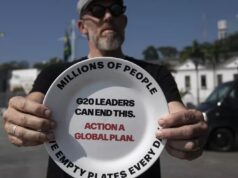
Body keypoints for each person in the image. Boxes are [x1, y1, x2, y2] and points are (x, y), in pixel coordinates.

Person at [3, 0, 208, 177]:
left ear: (124, 21)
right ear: (82, 26)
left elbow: (177, 114)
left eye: (117, 9)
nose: (108, 16)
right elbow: (30, 106)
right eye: (98, 10)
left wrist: (189, 133)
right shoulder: (54, 74)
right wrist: (19, 119)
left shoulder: (156, 74)